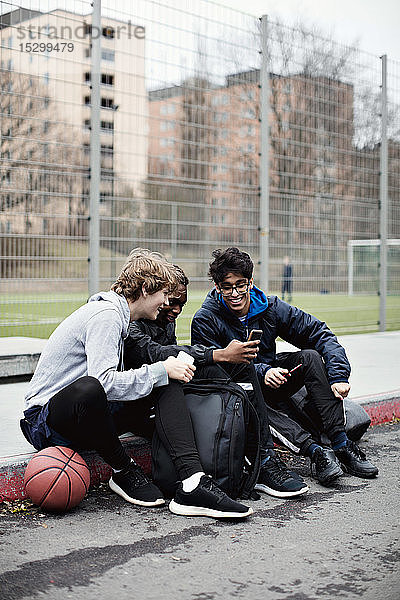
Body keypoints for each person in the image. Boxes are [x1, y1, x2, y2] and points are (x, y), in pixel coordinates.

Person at [20, 248, 253, 519]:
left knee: (167, 377)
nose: (166, 302)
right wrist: (160, 370)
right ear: (144, 289)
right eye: (164, 294)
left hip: (89, 418)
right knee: (95, 386)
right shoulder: (105, 314)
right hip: (46, 422)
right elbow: (102, 383)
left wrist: (164, 372)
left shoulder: (121, 317)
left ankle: (193, 483)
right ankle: (123, 469)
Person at [191, 247, 378, 485]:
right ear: (217, 287)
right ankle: (317, 453)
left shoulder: (270, 307)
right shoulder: (205, 318)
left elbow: (319, 333)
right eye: (227, 287)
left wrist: (338, 375)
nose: (235, 293)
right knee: (247, 397)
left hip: (274, 381)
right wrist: (262, 371)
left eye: (241, 285)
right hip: (237, 393)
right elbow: (214, 374)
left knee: (309, 357)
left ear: (250, 282)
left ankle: (341, 444)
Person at [126, 266, 310, 499]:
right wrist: (218, 354)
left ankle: (263, 461)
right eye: (170, 301)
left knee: (242, 366)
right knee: (218, 369)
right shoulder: (129, 320)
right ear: (151, 293)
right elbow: (156, 354)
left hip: (162, 390)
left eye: (181, 304)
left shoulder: (164, 317)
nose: (177, 309)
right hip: (140, 405)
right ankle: (239, 463)